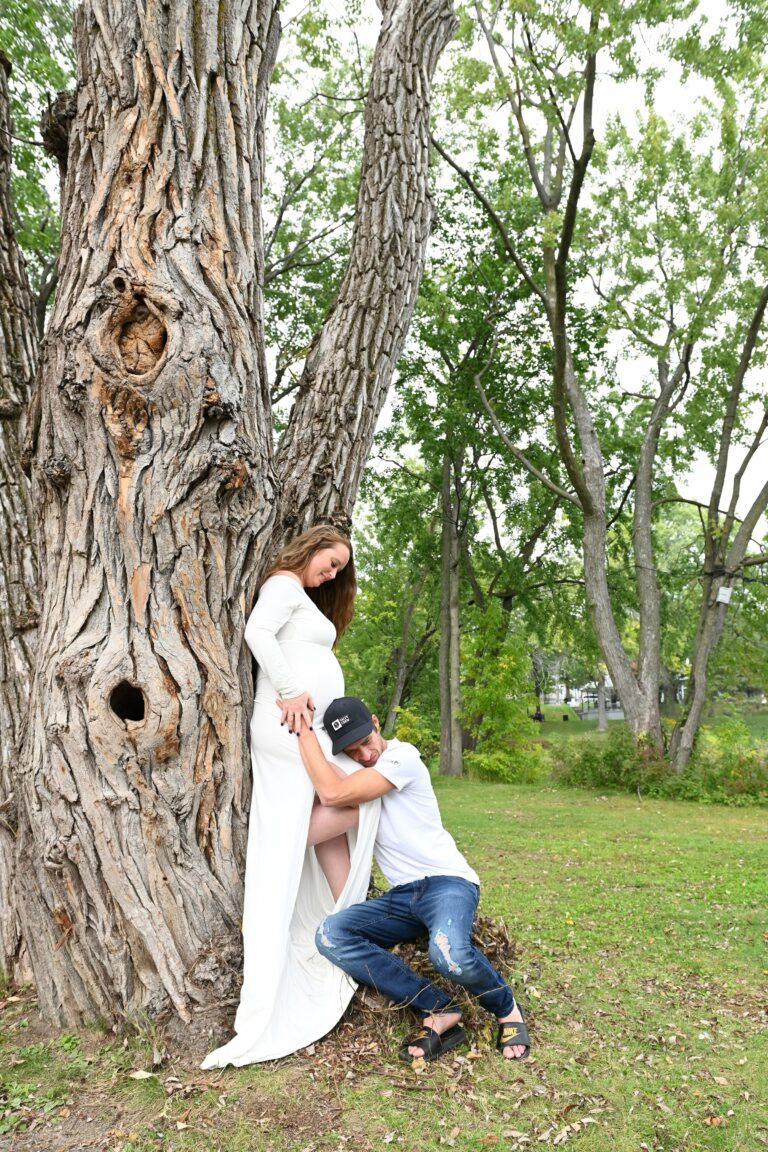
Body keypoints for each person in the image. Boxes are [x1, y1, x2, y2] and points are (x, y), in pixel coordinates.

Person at [201, 529, 380, 1068]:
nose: (331, 575)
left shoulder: (303, 594)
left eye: (338, 570)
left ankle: (348, 931)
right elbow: (259, 633)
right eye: (330, 563)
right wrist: (289, 690)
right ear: (313, 548)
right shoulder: (282, 582)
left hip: (310, 727)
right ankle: (324, 947)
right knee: (302, 828)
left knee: (340, 814)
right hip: (289, 723)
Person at [294, 696, 531, 1063]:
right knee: (331, 934)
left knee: (447, 954)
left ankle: (506, 1008)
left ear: (376, 722)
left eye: (366, 742)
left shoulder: (402, 757)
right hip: (403, 896)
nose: (365, 755)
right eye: (353, 751)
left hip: (448, 882)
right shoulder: (361, 772)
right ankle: (438, 1007)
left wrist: (303, 731)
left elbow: (332, 793)